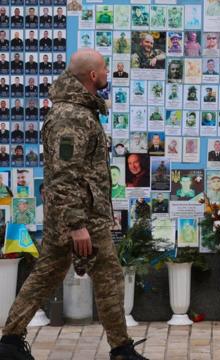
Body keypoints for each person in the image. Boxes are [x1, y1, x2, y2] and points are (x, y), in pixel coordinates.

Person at [0, 49, 147, 360]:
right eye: (105, 68)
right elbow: (65, 175)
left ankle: (10, 342)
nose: (109, 72)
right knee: (108, 277)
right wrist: (78, 225)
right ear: (92, 76)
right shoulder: (71, 116)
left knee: (46, 275)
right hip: (81, 217)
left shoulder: (80, 111)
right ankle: (121, 350)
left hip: (72, 214)